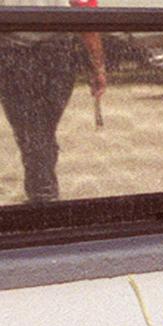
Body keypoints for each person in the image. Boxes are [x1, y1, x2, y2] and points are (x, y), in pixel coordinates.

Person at [0, 1, 106, 203]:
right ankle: (44, 196)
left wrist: (97, 66)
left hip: (15, 50)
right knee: (39, 132)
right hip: (57, 52)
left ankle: (43, 198)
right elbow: (86, 12)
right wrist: (97, 66)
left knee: (33, 132)